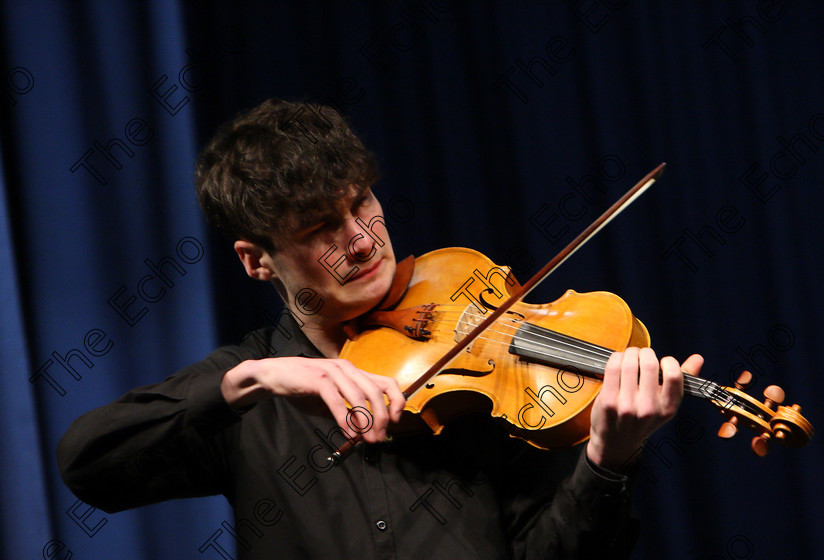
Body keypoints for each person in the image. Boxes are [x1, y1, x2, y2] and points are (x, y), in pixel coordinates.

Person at [57, 99, 704, 559]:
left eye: (360, 201)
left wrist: (607, 462)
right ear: (257, 261)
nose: (362, 241)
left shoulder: (475, 379)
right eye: (319, 227)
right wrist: (245, 381)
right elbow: (88, 464)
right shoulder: (250, 397)